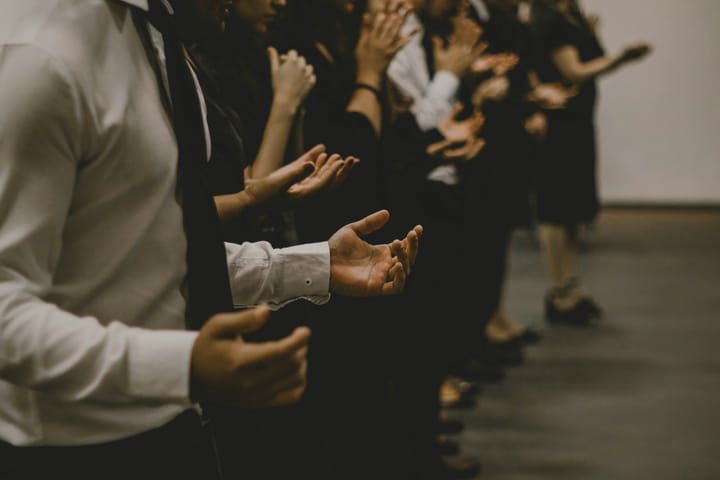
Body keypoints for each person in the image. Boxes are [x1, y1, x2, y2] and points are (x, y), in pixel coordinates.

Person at [0, 2, 422, 479]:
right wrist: (180, 363)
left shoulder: (154, 43)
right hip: (72, 451)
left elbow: (146, 259)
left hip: (175, 426)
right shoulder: (40, 54)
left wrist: (310, 265)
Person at [527, 0, 651, 325]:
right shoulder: (551, 20)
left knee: (571, 213)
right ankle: (559, 291)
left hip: (577, 122)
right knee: (555, 211)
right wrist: (622, 58)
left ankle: (571, 286)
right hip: (558, 125)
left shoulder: (572, 17)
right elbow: (574, 72)